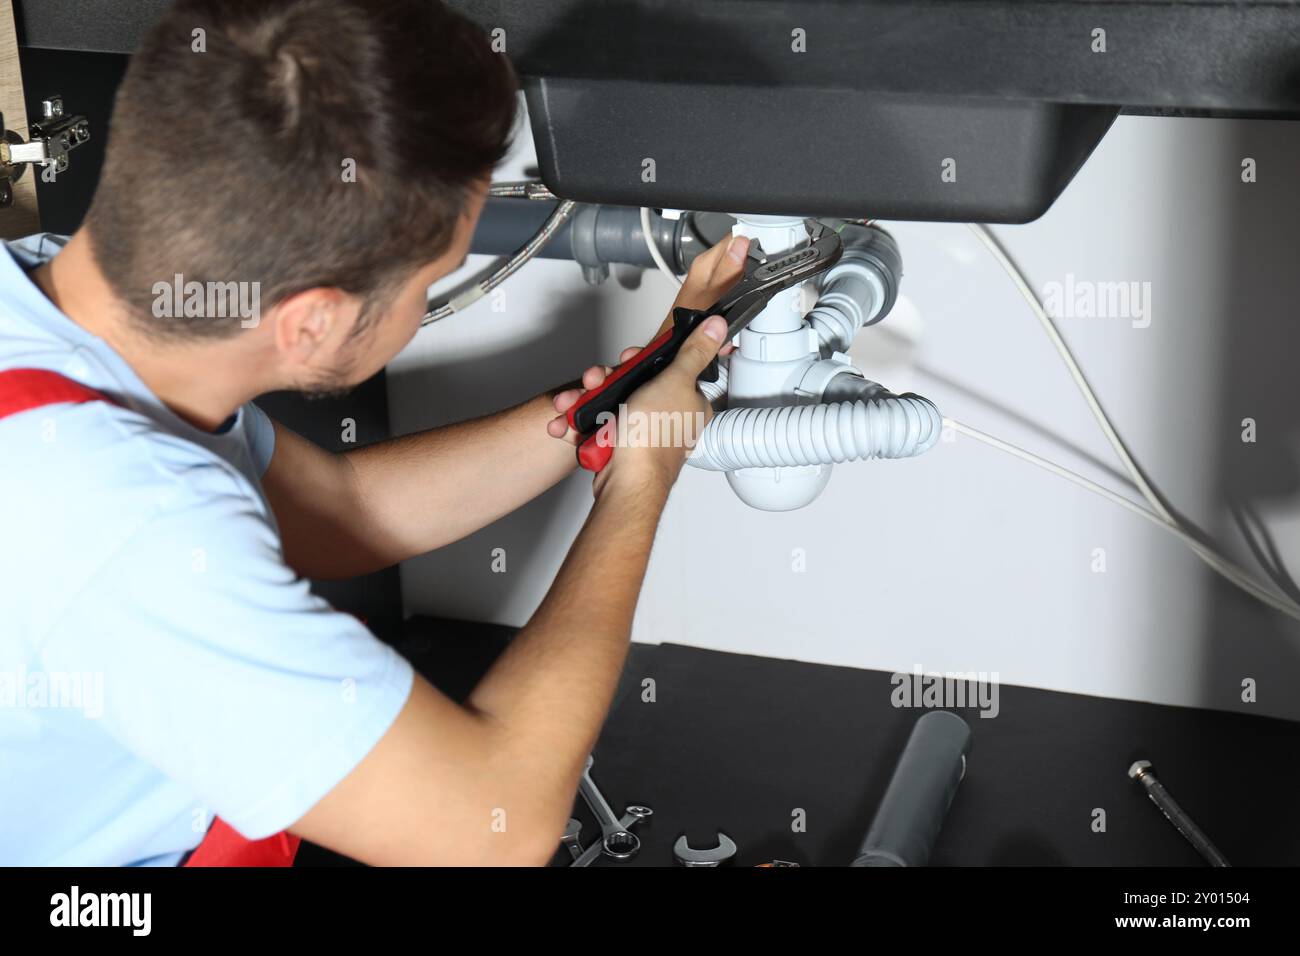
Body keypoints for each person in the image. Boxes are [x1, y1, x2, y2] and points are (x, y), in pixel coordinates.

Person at [0, 0, 749, 865]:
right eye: (431, 280)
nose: (430, 294)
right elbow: (492, 828)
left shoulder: (66, 311)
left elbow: (343, 512)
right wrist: (641, 485)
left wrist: (620, 398)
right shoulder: (131, 524)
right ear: (311, 323)